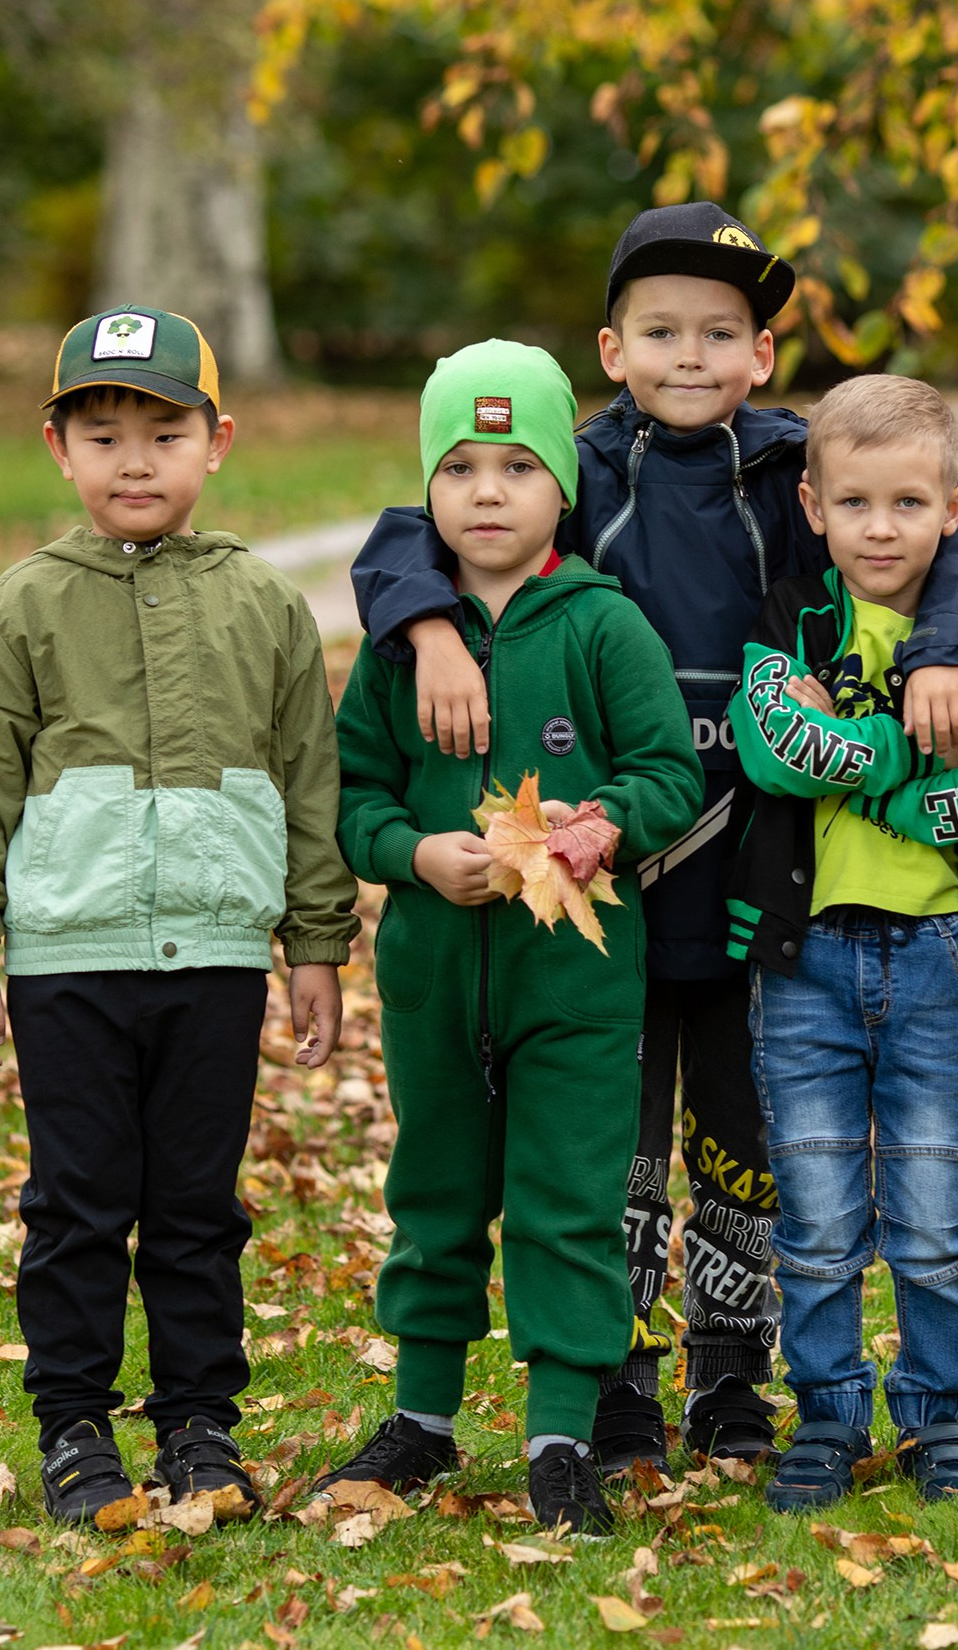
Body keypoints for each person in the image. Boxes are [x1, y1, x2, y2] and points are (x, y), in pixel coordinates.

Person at [346, 204, 958, 1478]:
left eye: (722, 332)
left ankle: (732, 1376)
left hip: (758, 856)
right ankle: (616, 1381)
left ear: (764, 352)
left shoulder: (793, 468)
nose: (691, 356)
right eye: (662, 331)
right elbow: (411, 526)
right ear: (613, 348)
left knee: (740, 1127)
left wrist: (943, 649)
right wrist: (428, 625)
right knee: (613, 1144)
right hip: (596, 873)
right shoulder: (580, 471)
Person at [0, 306, 359, 1523]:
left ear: (216, 442)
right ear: (56, 446)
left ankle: (199, 1423)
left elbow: (307, 781)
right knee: (76, 1201)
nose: (133, 460)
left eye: (161, 432)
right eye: (102, 432)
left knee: (195, 1205)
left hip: (217, 960)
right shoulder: (19, 609)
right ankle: (72, 1426)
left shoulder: (266, 606)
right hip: (66, 961)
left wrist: (314, 943)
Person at [316, 341, 704, 1536]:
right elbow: (355, 796)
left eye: (518, 464)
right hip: (434, 974)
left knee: (565, 1198)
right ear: (427, 486)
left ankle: (558, 1436)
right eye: (461, 466)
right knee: (432, 1193)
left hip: (576, 981)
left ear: (562, 489)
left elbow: (667, 774)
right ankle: (422, 1418)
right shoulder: (398, 643)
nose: (487, 490)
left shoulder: (603, 626)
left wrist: (604, 830)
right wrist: (414, 855)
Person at [721, 375, 958, 1512]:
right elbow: (775, 747)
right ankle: (824, 1414)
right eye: (853, 502)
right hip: (804, 957)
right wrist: (901, 752)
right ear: (811, 505)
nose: (879, 527)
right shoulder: (790, 615)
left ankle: (935, 1414)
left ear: (954, 508)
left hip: (933, 955)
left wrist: (872, 761)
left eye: (907, 503)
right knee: (813, 1210)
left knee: (930, 1208)